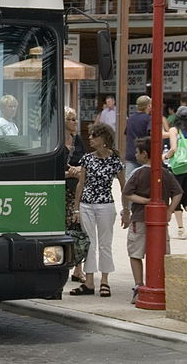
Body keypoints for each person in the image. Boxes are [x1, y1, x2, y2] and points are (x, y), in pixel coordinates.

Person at [124, 137, 183, 304]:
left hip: (139, 218)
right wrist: (169, 210)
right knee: (162, 252)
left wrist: (144, 201)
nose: (135, 155)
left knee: (135, 252)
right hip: (160, 221)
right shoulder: (165, 173)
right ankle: (160, 282)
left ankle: (138, 285)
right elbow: (178, 192)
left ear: (144, 154)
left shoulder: (138, 173)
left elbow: (127, 193)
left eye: (137, 152)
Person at [69, 122, 126, 298]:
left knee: (105, 244)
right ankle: (89, 281)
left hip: (106, 205)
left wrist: (127, 210)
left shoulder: (115, 161)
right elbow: (81, 184)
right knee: (90, 244)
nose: (90, 138)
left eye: (94, 136)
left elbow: (124, 187)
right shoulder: (87, 158)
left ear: (103, 139)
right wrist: (76, 208)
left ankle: (105, 281)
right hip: (86, 204)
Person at [64, 107, 89, 283]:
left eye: (75, 119)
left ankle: (78, 269)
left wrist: (78, 170)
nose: (75, 122)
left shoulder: (78, 139)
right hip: (63, 189)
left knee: (78, 228)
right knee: (65, 228)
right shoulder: (56, 140)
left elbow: (85, 160)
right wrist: (68, 173)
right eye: (72, 119)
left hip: (77, 188)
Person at [161, 105, 187, 239]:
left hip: (178, 168)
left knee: (177, 196)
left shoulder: (174, 130)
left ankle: (180, 229)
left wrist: (165, 156)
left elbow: (173, 148)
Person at [124, 95, 152, 180]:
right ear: (148, 106)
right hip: (144, 155)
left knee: (129, 181)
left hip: (130, 153)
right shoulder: (149, 119)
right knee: (145, 181)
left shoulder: (130, 119)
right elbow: (151, 134)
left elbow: (126, 133)